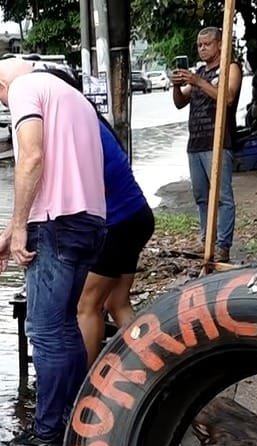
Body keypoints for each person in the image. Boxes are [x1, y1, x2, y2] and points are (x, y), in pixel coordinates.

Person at [0, 58, 107, 446]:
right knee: (66, 327)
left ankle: (48, 431)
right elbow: (57, 178)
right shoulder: (72, 96)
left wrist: (21, 229)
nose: (5, 106)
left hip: (57, 226)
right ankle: (75, 419)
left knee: (46, 332)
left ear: (1, 87)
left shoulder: (22, 89)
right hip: (90, 223)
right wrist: (10, 230)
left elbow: (32, 159)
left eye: (0, 100)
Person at [76, 117, 155, 368]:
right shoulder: (94, 122)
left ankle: (83, 390)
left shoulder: (77, 127)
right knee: (117, 302)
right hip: (138, 215)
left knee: (87, 305)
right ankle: (155, 364)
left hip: (118, 223)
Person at [172, 26, 242, 263]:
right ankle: (207, 241)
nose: (202, 49)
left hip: (219, 141)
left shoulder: (230, 68)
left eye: (207, 44)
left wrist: (198, 82)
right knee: (202, 197)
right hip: (196, 143)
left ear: (220, 45)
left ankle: (223, 245)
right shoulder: (200, 72)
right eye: (199, 45)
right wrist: (176, 85)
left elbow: (229, 97)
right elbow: (181, 102)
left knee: (222, 197)